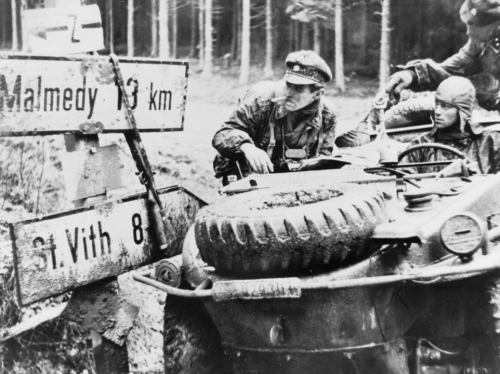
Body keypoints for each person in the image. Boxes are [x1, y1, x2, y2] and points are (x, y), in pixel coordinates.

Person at [212, 50, 369, 185]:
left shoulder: (327, 115)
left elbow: (322, 157)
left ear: (317, 94)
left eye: (299, 89)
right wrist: (247, 147)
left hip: (290, 172)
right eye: (288, 85)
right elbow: (224, 133)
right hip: (246, 166)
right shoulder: (263, 101)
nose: (288, 93)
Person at [386, 0, 500, 112]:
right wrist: (412, 74)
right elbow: (447, 70)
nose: (468, 32)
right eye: (469, 25)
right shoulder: (480, 44)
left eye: (476, 26)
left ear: (496, 23)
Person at [401, 76, 500, 174]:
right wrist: (445, 176)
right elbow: (401, 182)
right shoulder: (420, 145)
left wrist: (472, 174)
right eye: (437, 104)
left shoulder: (492, 142)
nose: (437, 111)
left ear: (463, 111)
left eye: (446, 107)